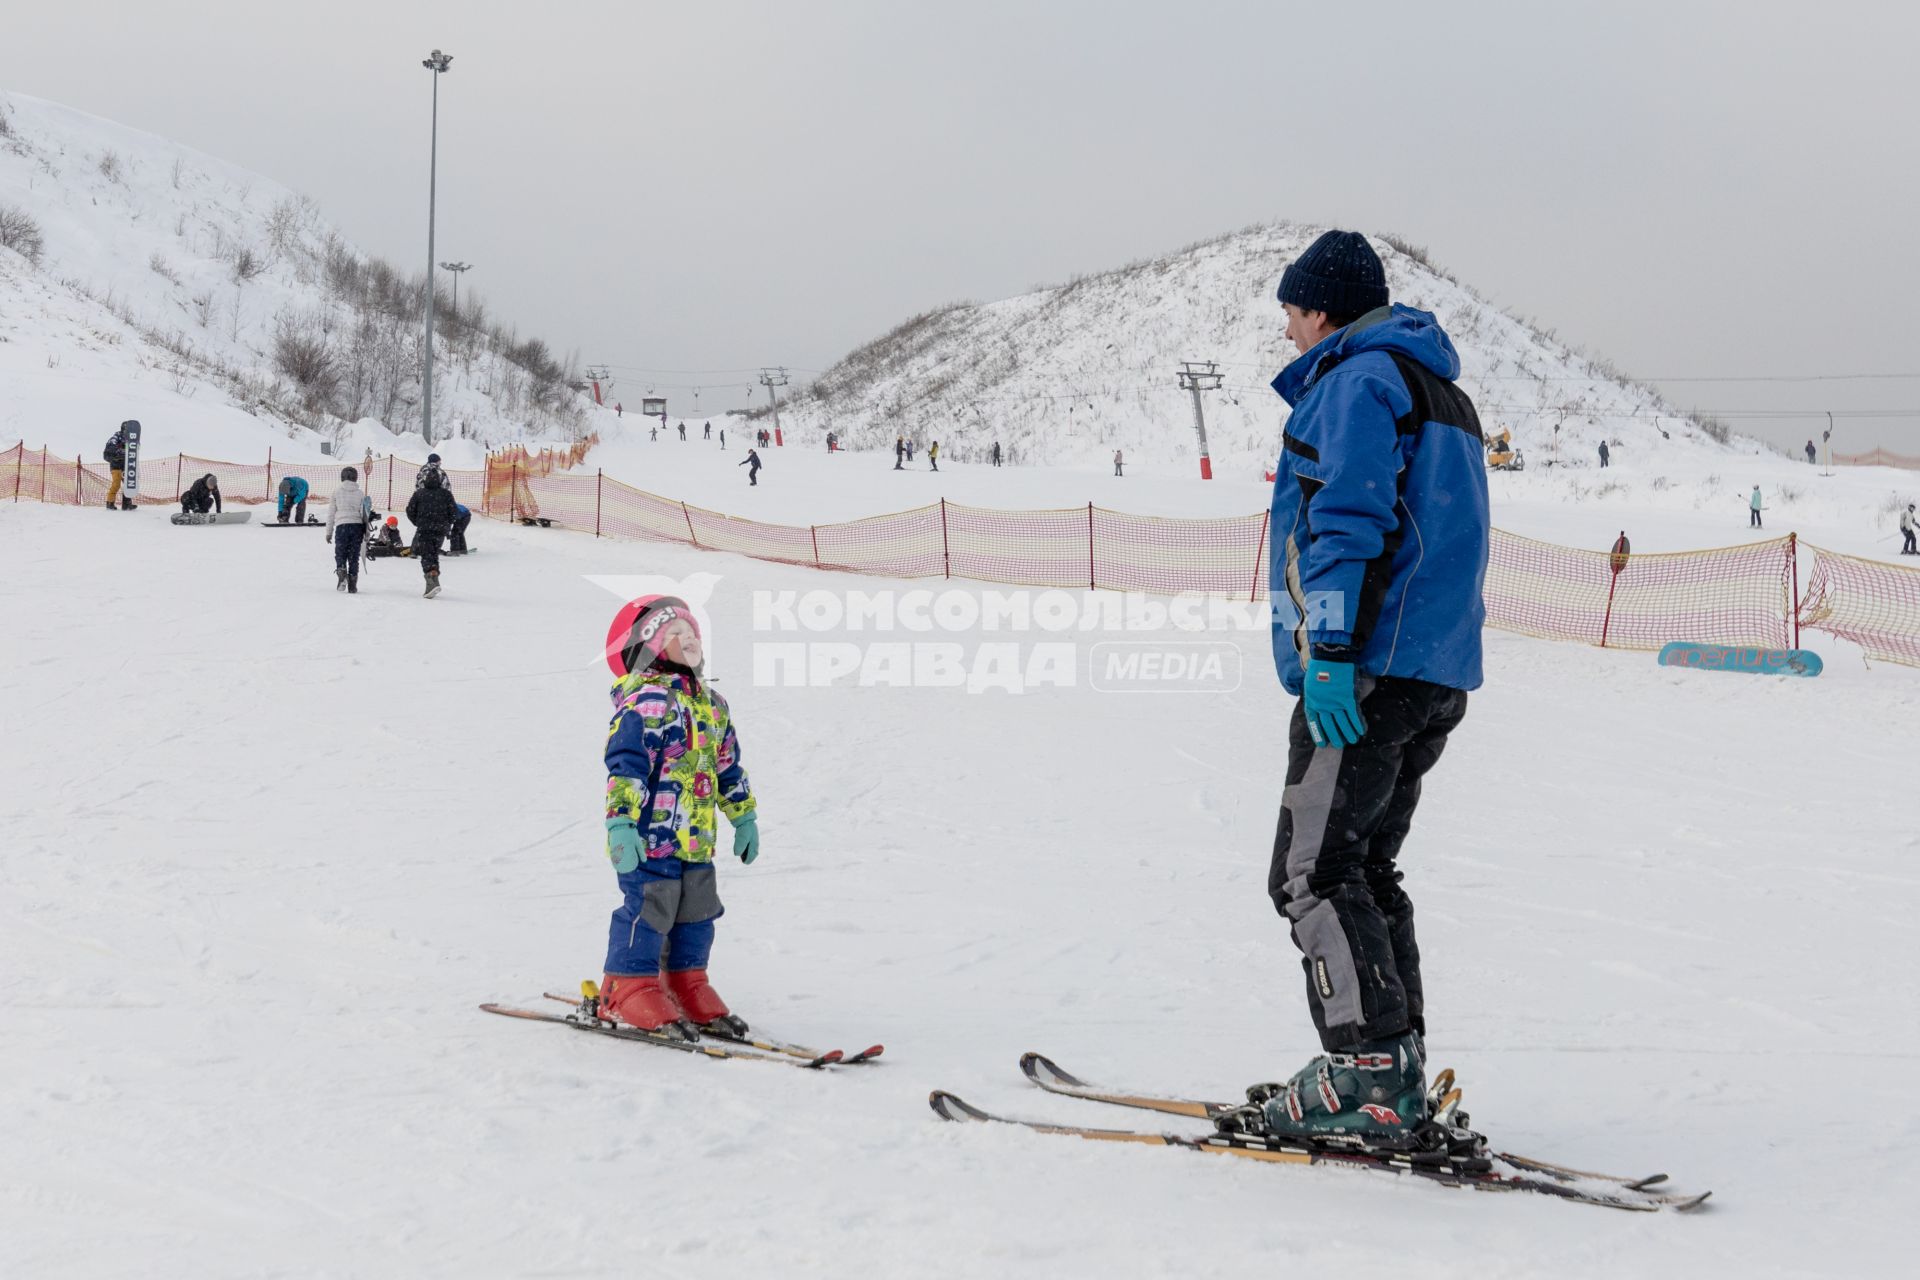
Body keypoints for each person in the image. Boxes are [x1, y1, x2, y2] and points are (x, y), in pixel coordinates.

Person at [1222, 229, 1489, 1154]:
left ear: (1323, 309)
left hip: (1366, 671)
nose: (1288, 331)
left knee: (1311, 871)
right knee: (1365, 867)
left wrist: (1330, 646)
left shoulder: (1357, 382)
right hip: (1434, 669)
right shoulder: (1439, 390)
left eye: (1292, 313)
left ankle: (1368, 1073)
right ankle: (1396, 1060)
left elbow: (1346, 515)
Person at [597, 595, 760, 1038]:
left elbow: (727, 766)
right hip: (649, 838)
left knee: (697, 911)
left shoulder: (713, 705)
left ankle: (686, 982)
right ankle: (627, 985)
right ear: (649, 648)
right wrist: (620, 823)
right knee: (651, 907)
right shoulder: (645, 703)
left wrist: (743, 817)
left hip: (696, 838)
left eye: (693, 634)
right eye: (676, 635)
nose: (689, 641)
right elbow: (626, 766)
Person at [405, 468, 458, 598]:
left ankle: (431, 580)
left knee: (426, 554)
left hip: (425, 528)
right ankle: (434, 577)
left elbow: (410, 510)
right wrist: (447, 524)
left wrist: (417, 522)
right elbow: (453, 512)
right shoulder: (446, 494)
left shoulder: (419, 493)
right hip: (440, 529)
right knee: (433, 553)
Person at [324, 466, 372, 593]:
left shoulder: (336, 492)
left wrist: (329, 532)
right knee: (354, 556)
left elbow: (331, 514)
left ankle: (341, 573)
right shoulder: (361, 493)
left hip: (342, 526)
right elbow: (365, 515)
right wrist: (366, 533)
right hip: (357, 527)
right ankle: (353, 583)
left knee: (340, 552)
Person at [103, 427, 129, 510]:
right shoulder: (115, 438)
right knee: (116, 484)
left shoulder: (130, 439)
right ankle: (110, 503)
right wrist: (119, 453)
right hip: (116, 466)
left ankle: (127, 504)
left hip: (126, 466)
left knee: (129, 484)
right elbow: (109, 451)